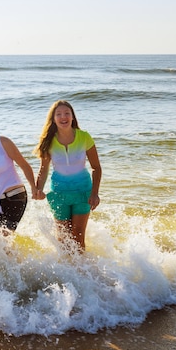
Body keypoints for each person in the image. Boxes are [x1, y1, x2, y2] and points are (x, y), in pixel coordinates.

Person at [35, 100, 102, 252]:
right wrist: (38, 189)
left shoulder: (84, 137)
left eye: (67, 113)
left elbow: (96, 168)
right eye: (58, 114)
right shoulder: (48, 141)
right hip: (59, 193)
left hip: (82, 192)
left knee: (78, 238)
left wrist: (95, 193)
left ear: (72, 117)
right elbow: (43, 169)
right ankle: (68, 273)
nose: (63, 117)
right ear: (53, 119)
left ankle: (82, 273)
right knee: (63, 239)